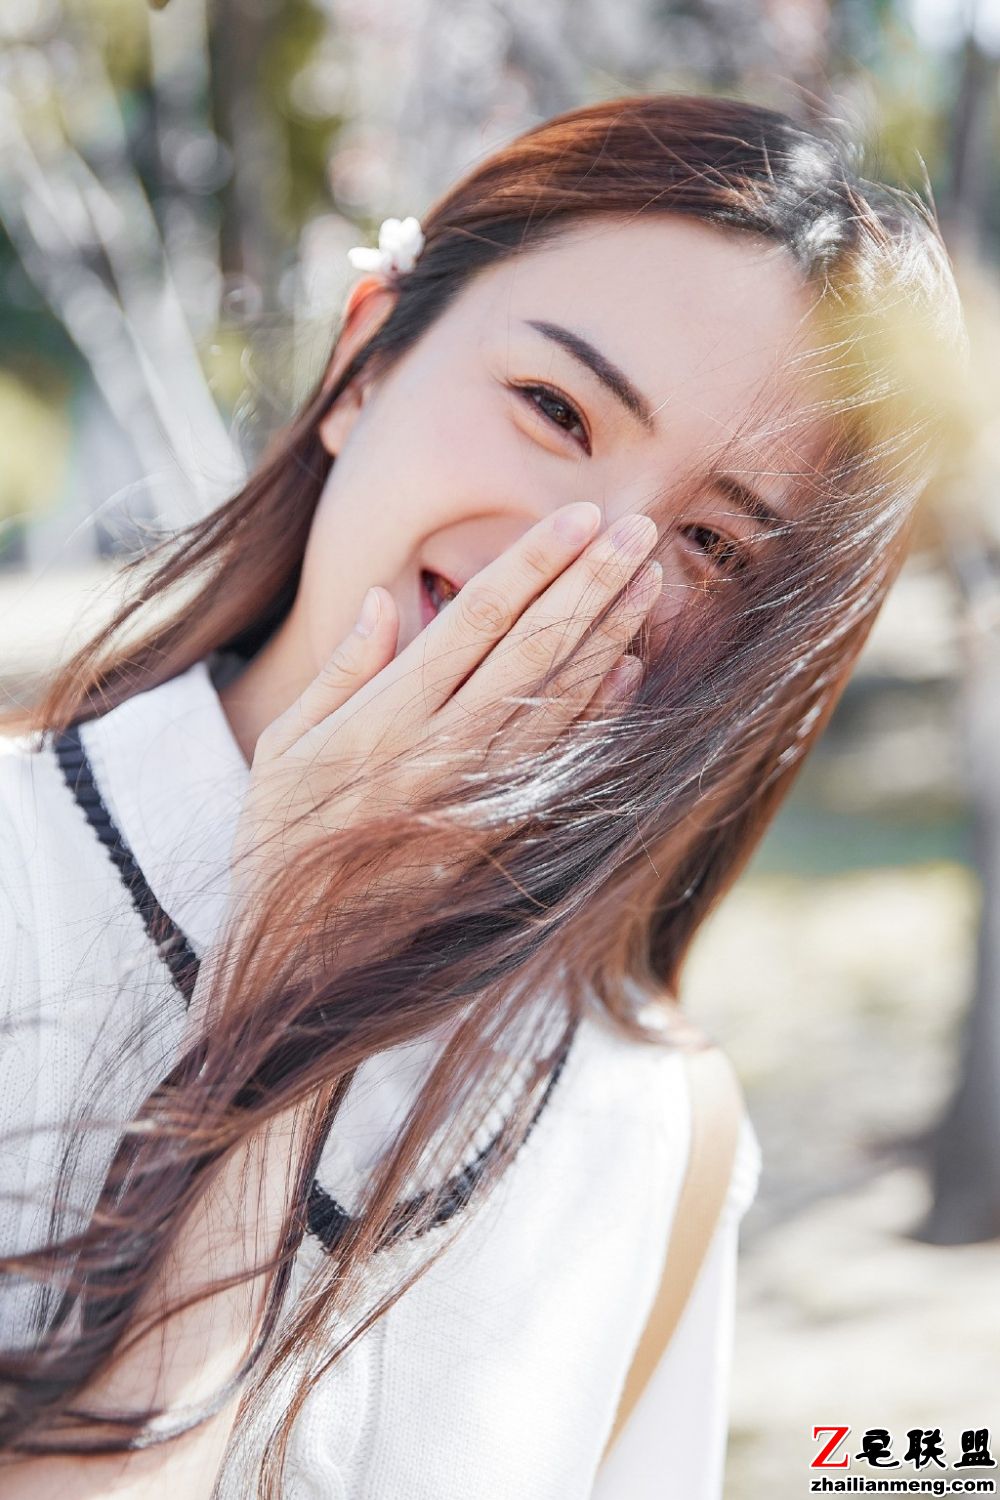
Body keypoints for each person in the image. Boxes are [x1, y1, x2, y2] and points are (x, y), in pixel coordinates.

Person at [0, 92, 964, 1498]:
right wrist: (291, 970)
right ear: (363, 365)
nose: (580, 553)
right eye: (554, 410)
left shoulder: (647, 1129)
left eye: (710, 545)